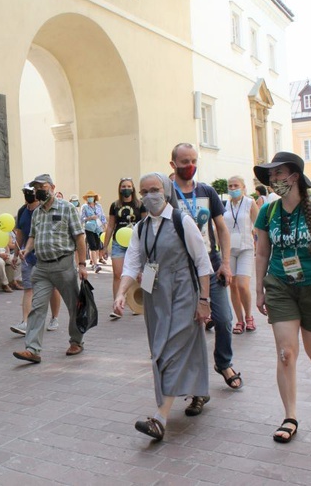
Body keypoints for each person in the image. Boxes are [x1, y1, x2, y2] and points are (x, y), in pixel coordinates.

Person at [114, 172, 213, 441]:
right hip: (155, 296)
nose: (149, 196)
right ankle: (199, 391)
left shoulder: (183, 222)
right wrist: (121, 294)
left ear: (166, 191)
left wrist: (204, 301)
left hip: (182, 293)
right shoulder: (141, 228)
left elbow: (203, 263)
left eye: (155, 189)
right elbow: (132, 263)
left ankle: (160, 418)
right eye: (144, 192)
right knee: (172, 348)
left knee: (168, 350)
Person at [253, 151, 311, 444]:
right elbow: (263, 252)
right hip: (280, 285)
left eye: (279, 174)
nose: (273, 180)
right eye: (271, 175)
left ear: (294, 176)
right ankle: (290, 416)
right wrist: (259, 289)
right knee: (286, 353)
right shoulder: (269, 211)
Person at [170, 143, 242, 410]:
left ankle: (224, 363)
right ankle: (197, 389)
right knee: (192, 329)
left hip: (210, 267)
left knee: (223, 320)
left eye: (193, 160)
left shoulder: (207, 191)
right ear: (173, 164)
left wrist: (225, 263)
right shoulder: (167, 195)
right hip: (182, 270)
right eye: (184, 161)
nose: (189, 165)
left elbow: (221, 229)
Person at [13, 174, 88, 363]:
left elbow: (79, 237)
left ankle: (76, 341)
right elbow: (32, 236)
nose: (38, 190)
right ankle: (32, 349)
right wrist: (26, 249)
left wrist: (81, 264)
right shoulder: (37, 212)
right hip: (41, 267)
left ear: (53, 187)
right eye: (36, 187)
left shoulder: (67, 208)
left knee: (73, 306)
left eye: (42, 186)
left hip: (64, 265)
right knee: (37, 308)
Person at [11, 184, 61, 335]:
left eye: (30, 192)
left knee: (53, 288)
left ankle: (54, 317)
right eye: (25, 192)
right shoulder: (22, 211)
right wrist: (15, 254)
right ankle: (25, 322)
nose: (28, 195)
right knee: (28, 288)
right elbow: (20, 234)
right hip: (28, 257)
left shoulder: (43, 209)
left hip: (45, 255)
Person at [103, 177, 146, 319]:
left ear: (133, 188)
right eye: (123, 186)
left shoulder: (140, 205)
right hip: (118, 243)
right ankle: (117, 306)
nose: (126, 188)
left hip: (136, 243)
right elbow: (110, 226)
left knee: (136, 274)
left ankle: (135, 304)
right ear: (119, 189)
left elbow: (146, 225)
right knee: (117, 274)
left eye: (128, 186)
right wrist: (104, 246)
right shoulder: (115, 205)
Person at [224, 176, 259, 334]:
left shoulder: (249, 203)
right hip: (229, 249)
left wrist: (260, 247)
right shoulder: (225, 204)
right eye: (230, 186)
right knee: (232, 285)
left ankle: (249, 316)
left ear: (243, 187)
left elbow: (258, 226)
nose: (233, 188)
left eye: (235, 185)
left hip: (246, 247)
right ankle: (239, 320)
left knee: (243, 285)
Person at [80, 190, 106, 273]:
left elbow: (102, 216)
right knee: (92, 246)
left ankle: (93, 262)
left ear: (95, 198)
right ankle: (95, 264)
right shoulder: (84, 207)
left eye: (91, 196)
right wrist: (90, 218)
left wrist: (105, 226)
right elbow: (82, 218)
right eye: (88, 197)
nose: (90, 198)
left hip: (98, 228)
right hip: (89, 228)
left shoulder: (99, 206)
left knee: (97, 245)